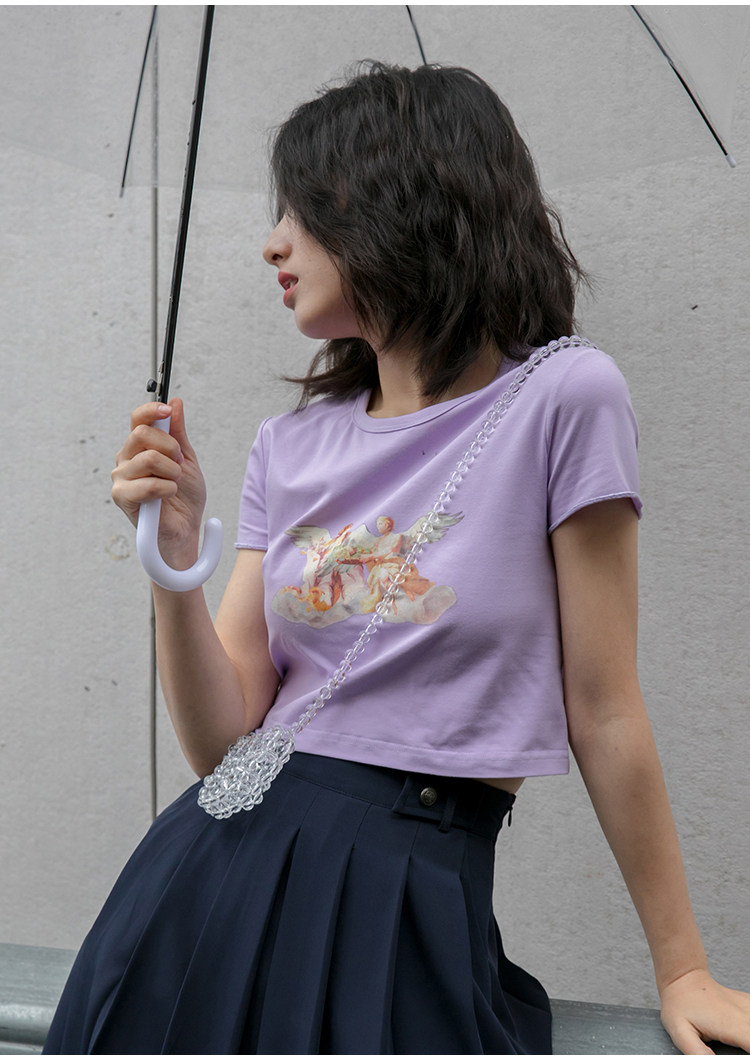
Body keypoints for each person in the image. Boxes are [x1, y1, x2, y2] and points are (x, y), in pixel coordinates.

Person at [45, 62, 749, 1055]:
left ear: (392, 201)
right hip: (208, 880)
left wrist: (681, 967)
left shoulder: (564, 397)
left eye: (300, 210)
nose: (273, 243)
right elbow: (222, 743)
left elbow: (605, 705)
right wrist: (173, 565)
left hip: (410, 888)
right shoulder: (291, 445)